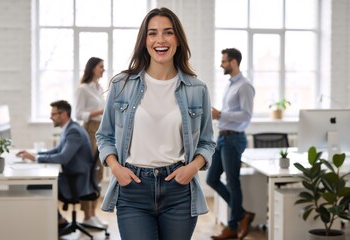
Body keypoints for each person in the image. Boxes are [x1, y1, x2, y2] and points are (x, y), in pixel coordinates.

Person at [95, 7, 215, 240]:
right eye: (152, 33)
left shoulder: (197, 89)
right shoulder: (122, 85)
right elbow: (104, 136)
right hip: (133, 189)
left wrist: (192, 168)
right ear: (144, 40)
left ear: (178, 40)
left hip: (179, 190)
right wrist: (116, 169)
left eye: (168, 32)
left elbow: (207, 142)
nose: (160, 40)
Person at [16, 100, 95, 236]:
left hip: (76, 181)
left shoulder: (73, 131)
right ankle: (58, 220)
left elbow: (63, 157)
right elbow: (58, 150)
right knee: (39, 184)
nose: (50, 117)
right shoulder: (70, 128)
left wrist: (36, 158)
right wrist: (35, 155)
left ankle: (58, 221)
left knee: (36, 186)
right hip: (73, 176)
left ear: (63, 114)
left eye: (53, 114)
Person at [206, 48, 256, 240]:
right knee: (211, 179)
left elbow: (246, 115)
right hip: (223, 137)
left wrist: (220, 114)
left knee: (233, 183)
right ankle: (243, 214)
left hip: (234, 139)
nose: (221, 64)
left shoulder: (244, 86)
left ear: (234, 62)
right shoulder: (231, 85)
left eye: (224, 61)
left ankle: (233, 226)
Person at [75, 57, 108, 228]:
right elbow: (79, 114)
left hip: (101, 131)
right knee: (89, 174)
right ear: (93, 68)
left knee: (98, 173)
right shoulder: (83, 89)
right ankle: (86, 215)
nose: (103, 69)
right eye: (101, 66)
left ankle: (93, 214)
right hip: (89, 131)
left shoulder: (100, 88)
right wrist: (101, 110)